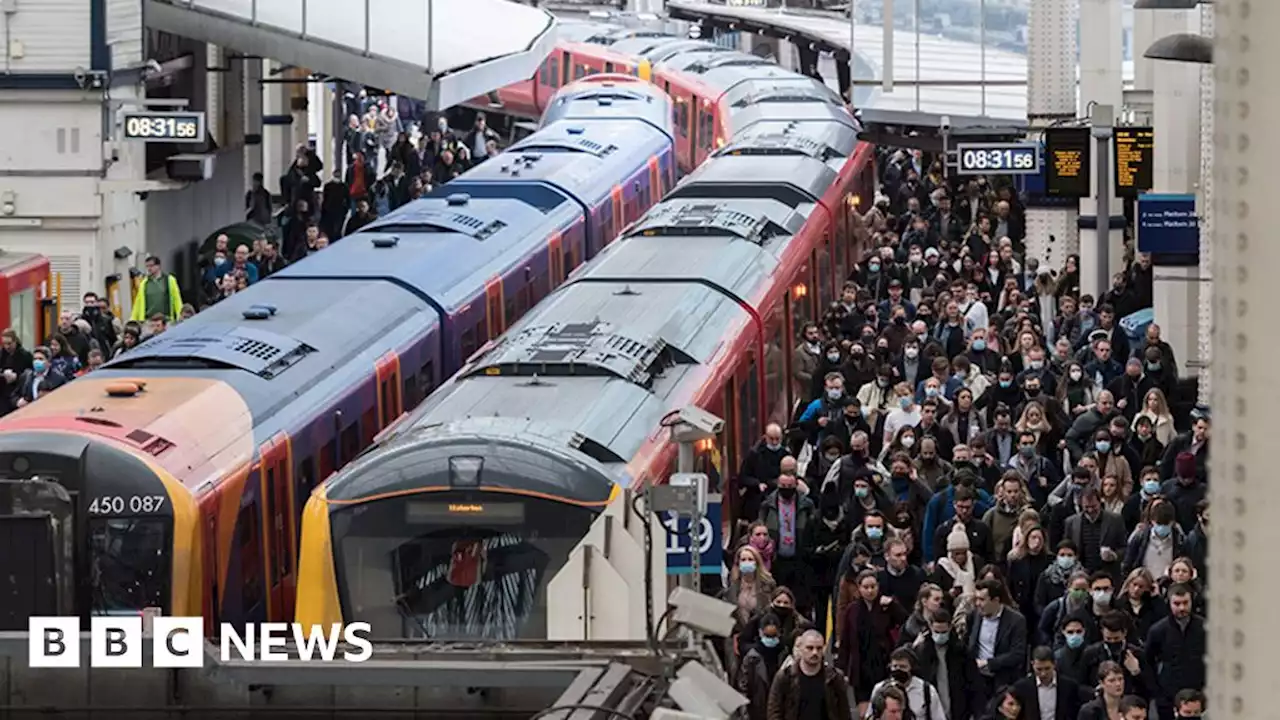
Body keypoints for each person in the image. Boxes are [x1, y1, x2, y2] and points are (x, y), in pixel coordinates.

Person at [1143, 584, 1205, 720]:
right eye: (1177, 603)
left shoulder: (1204, 628)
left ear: (1191, 601)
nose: (1182, 607)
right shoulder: (1158, 630)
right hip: (1168, 695)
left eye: (1185, 603)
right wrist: (1157, 692)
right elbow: (1147, 661)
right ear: (1169, 603)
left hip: (1198, 694)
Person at [967, 578, 1028, 707]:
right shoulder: (974, 616)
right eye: (976, 599)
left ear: (996, 600)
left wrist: (988, 663)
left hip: (1003, 681)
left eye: (982, 600)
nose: (977, 604)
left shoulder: (1016, 620)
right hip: (978, 681)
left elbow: (1017, 654)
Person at [766, 629, 852, 720]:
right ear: (801, 648)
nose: (815, 652)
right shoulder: (785, 677)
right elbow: (774, 712)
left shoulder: (834, 678)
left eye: (819, 648)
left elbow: (844, 712)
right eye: (810, 648)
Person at [1010, 645, 1090, 720]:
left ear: (1054, 664)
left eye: (1047, 668)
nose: (1043, 673)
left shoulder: (1069, 686)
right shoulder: (1022, 687)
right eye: (1039, 669)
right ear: (1032, 664)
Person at [866, 647, 947, 720]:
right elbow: (870, 716)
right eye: (894, 666)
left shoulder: (927, 691)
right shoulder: (880, 689)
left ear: (912, 668)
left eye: (903, 667)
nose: (898, 670)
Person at [733, 612, 784, 720]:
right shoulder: (752, 658)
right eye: (768, 636)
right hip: (756, 713)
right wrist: (745, 716)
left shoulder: (784, 656)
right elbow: (743, 689)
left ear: (779, 633)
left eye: (773, 636)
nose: (771, 639)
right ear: (760, 633)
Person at [130, 255, 183, 323]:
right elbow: (138, 303)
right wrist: (133, 319)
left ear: (158, 266)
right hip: (148, 320)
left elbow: (177, 299)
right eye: (147, 266)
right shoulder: (144, 283)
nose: (149, 268)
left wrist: (180, 316)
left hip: (166, 320)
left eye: (151, 266)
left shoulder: (169, 280)